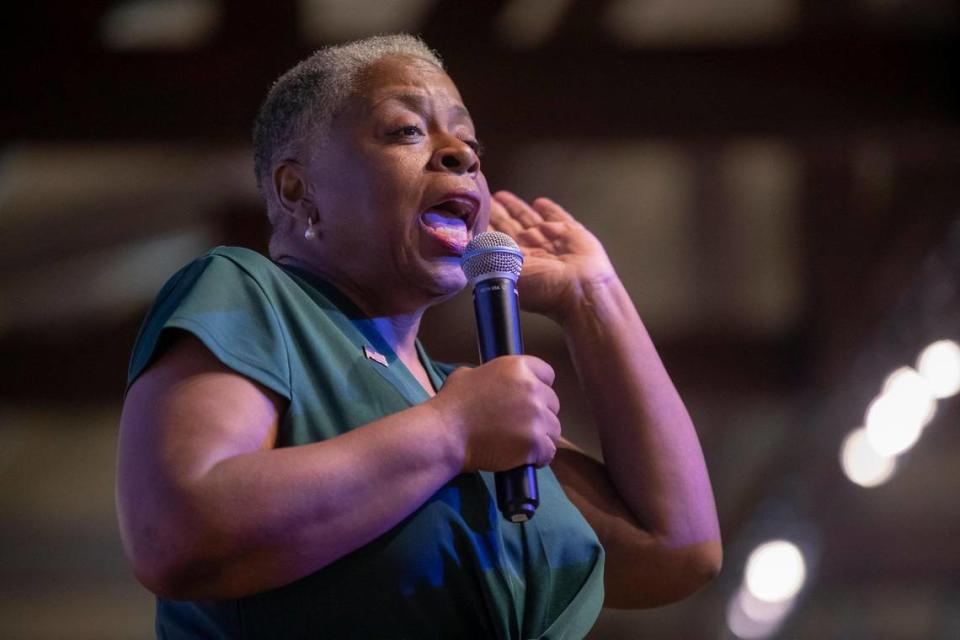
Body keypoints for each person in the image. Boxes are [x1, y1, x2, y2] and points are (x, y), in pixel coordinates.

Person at [116, 34, 721, 639]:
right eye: (407, 130)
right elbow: (174, 535)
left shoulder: (469, 401)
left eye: (470, 144)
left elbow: (675, 550)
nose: (460, 154)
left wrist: (591, 294)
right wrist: (451, 432)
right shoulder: (252, 295)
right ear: (297, 189)